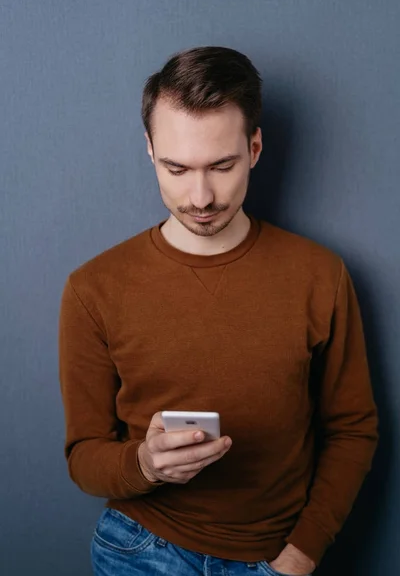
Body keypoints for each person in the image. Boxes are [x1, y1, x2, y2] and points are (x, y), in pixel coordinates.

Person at [59, 46, 378, 576]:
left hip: (273, 557)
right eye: (177, 168)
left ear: (254, 148)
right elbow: (84, 456)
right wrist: (143, 462)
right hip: (140, 549)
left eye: (222, 166)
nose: (200, 197)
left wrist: (301, 555)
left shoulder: (321, 275)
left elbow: (353, 428)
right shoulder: (93, 288)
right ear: (149, 150)